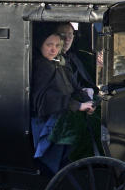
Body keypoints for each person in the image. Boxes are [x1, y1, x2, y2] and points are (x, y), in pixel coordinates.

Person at [30, 25, 96, 175]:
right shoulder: (42, 66)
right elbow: (44, 99)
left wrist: (87, 101)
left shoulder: (60, 63)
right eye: (49, 45)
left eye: (57, 46)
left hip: (65, 110)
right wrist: (77, 105)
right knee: (75, 128)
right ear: (41, 45)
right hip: (48, 119)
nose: (53, 49)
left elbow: (75, 87)